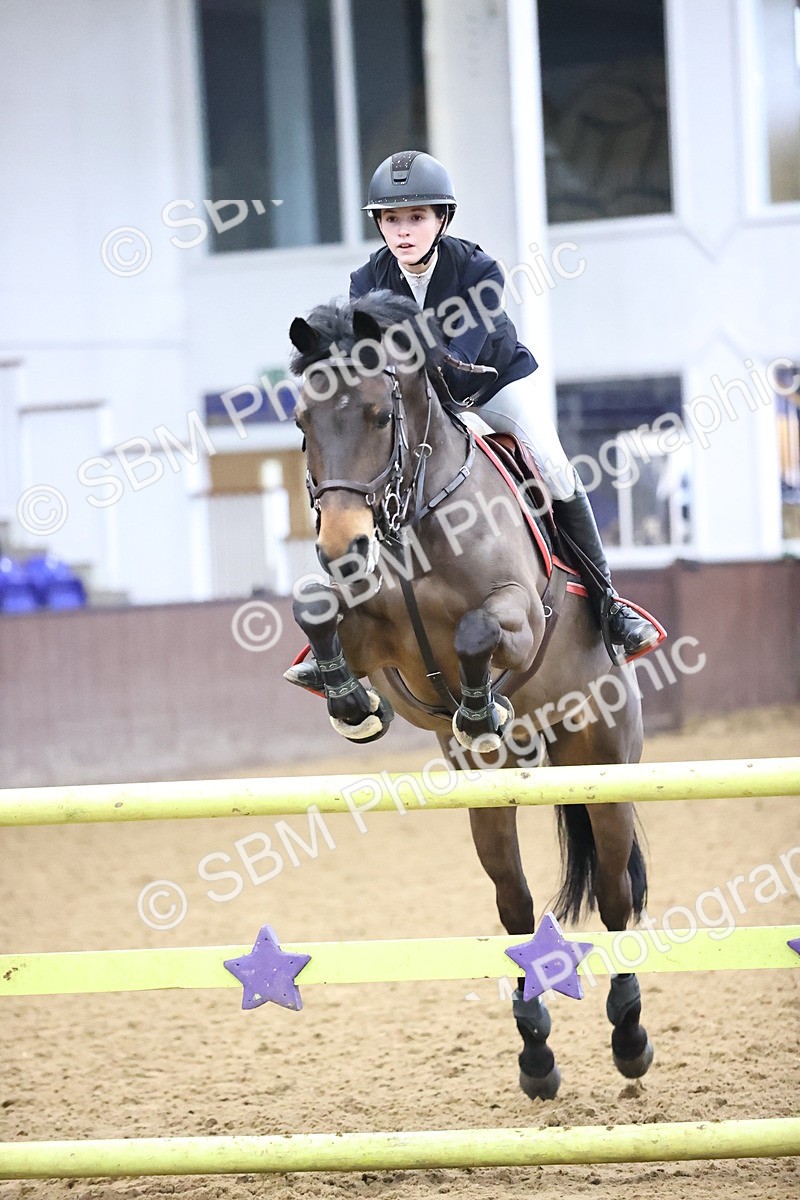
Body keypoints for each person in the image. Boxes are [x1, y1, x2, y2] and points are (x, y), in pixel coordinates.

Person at [286, 151, 659, 691]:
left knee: (552, 467)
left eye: (416, 218)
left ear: (441, 220)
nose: (404, 231)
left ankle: (609, 604)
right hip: (414, 403)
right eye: (392, 219)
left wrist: (400, 366)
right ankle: (341, 634)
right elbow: (362, 366)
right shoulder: (366, 277)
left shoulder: (478, 271)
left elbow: (457, 360)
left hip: (491, 383)